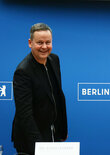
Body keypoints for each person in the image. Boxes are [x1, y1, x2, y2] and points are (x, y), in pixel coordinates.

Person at [11, 23, 68, 155]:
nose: (44, 47)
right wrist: (39, 147)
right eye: (39, 42)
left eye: (48, 42)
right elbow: (25, 115)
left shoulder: (54, 59)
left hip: (53, 134)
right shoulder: (23, 71)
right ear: (30, 43)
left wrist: (62, 130)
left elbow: (58, 96)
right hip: (31, 138)